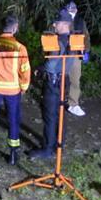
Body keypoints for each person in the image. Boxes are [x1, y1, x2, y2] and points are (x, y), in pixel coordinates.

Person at [0, 14, 31, 165]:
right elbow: (25, 70)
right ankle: (13, 154)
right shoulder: (20, 48)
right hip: (13, 90)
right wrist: (24, 86)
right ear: (15, 28)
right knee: (13, 120)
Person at [28, 10, 74, 160]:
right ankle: (59, 145)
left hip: (53, 82)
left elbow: (51, 64)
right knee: (61, 113)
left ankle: (48, 148)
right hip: (64, 80)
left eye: (57, 22)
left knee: (50, 115)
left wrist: (39, 69)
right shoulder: (75, 39)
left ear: (65, 24)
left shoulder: (55, 41)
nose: (54, 25)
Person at [62, 0, 90, 117]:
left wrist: (86, 51)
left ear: (76, 10)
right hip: (61, 53)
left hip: (75, 54)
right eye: (69, 9)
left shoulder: (80, 21)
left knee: (75, 80)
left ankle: (73, 104)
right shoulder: (60, 19)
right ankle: (57, 100)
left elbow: (86, 36)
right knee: (59, 78)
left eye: (73, 9)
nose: (71, 11)